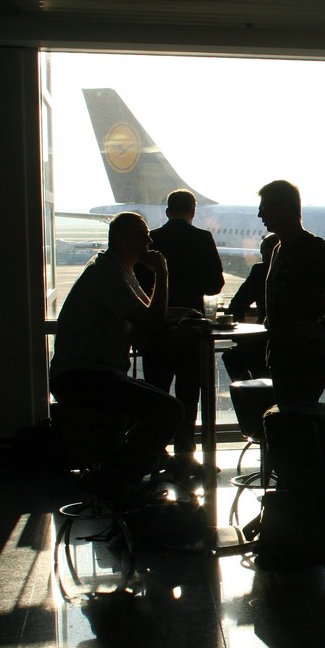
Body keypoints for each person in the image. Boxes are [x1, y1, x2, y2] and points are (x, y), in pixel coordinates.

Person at [49, 212, 184, 506]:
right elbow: (151, 321)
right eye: (143, 235)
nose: (150, 241)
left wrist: (176, 314)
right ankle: (114, 479)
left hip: (90, 374)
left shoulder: (117, 270)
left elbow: (147, 315)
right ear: (122, 239)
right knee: (169, 410)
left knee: (160, 409)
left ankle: (128, 473)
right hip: (85, 376)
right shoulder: (109, 274)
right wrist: (162, 273)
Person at [134, 189, 224, 472]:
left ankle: (155, 453)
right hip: (190, 333)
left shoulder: (153, 241)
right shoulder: (202, 239)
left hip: (156, 331)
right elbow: (215, 285)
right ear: (193, 211)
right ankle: (186, 454)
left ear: (167, 210)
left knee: (156, 395)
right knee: (188, 395)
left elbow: (136, 284)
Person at [257, 180, 325, 403]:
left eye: (265, 207)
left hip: (303, 356)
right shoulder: (280, 248)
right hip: (286, 354)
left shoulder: (312, 249)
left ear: (284, 209)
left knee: (296, 421)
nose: (260, 214)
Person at [222, 232, 279, 382]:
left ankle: (249, 396)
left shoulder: (261, 271)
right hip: (296, 344)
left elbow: (237, 305)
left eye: (263, 252)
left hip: (265, 340)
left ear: (269, 252)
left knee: (231, 356)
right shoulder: (301, 270)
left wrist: (241, 338)